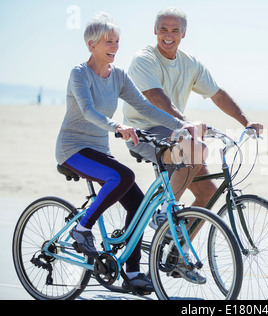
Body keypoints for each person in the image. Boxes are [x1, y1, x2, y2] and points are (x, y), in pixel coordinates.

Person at [55, 12, 198, 293]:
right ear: (91, 45)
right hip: (73, 148)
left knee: (138, 204)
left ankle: (132, 273)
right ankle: (82, 228)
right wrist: (117, 126)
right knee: (124, 176)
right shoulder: (79, 73)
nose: (115, 46)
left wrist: (182, 124)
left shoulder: (118, 76)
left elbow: (145, 107)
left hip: (99, 149)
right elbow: (88, 111)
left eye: (117, 41)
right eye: (109, 41)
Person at [122, 7, 264, 215]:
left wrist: (246, 122)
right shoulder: (144, 59)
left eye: (175, 30)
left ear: (183, 33)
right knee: (195, 148)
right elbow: (155, 97)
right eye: (163, 29)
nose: (168, 35)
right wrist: (184, 122)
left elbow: (217, 94)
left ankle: (176, 247)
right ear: (155, 30)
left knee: (208, 193)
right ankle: (164, 212)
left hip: (175, 131)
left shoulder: (190, 63)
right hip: (144, 131)